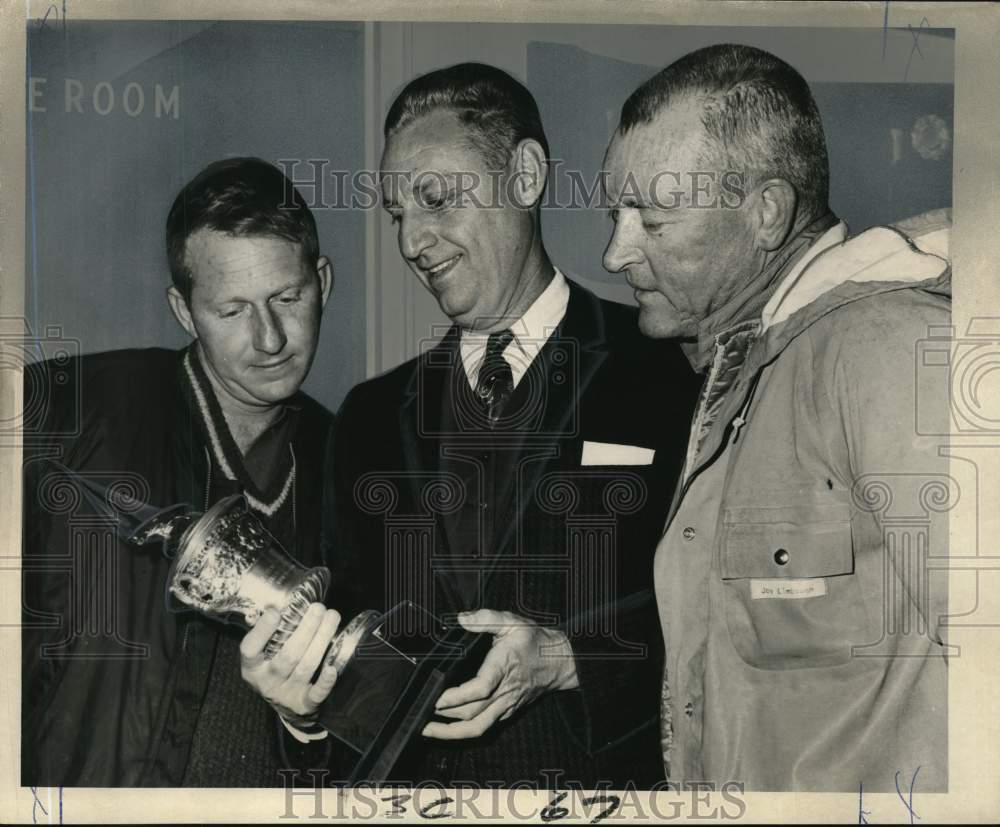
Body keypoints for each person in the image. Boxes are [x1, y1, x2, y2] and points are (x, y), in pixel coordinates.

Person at [299, 62, 699, 788]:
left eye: (436, 199)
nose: (413, 241)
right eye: (397, 213)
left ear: (525, 174)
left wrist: (569, 659)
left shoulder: (672, 375)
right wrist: (301, 702)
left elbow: (729, 613)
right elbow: (350, 658)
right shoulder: (366, 420)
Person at [601, 43, 952, 791]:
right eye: (616, 212)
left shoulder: (887, 348)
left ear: (765, 212)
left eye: (652, 219)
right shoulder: (749, 368)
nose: (614, 252)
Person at [21, 157, 338, 786]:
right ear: (183, 310)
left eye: (286, 297)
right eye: (232, 311)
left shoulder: (354, 459)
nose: (270, 338)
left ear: (322, 282)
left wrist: (309, 726)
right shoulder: (69, 410)